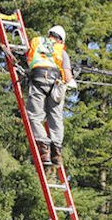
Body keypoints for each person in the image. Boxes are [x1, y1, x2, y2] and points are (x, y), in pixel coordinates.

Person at [26, 25, 76, 166]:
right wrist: (71, 81)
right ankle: (56, 153)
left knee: (35, 116)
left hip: (38, 79)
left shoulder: (36, 42)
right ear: (61, 40)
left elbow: (29, 60)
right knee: (56, 117)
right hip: (56, 84)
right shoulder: (61, 51)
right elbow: (67, 75)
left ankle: (44, 149)